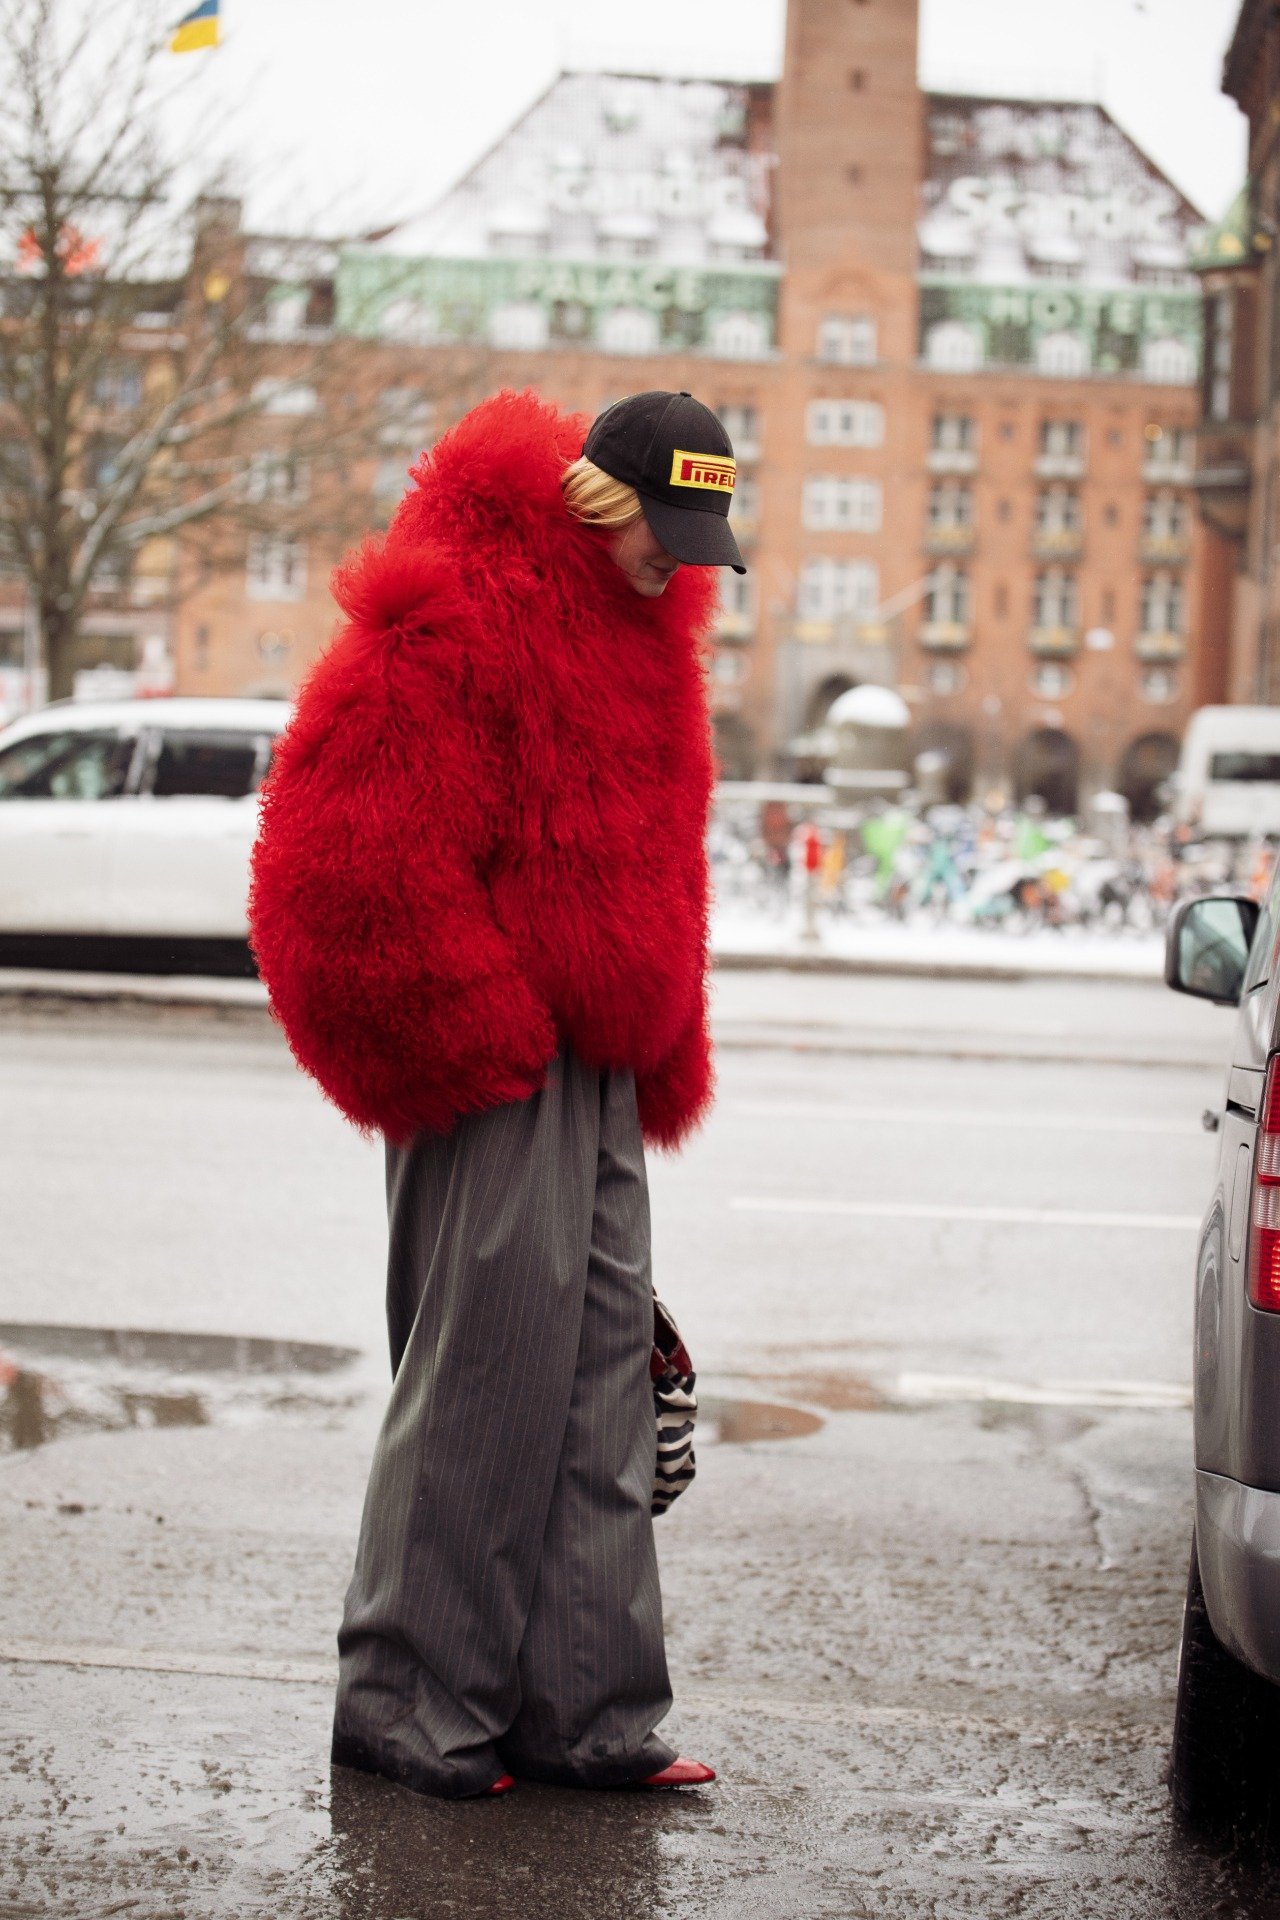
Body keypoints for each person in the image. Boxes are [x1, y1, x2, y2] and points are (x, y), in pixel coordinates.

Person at [249, 387, 745, 1799]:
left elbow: (648, 862)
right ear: (603, 502)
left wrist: (650, 1027)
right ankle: (409, 1700)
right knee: (483, 1380)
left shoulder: (638, 636)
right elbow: (336, 854)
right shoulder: (465, 609)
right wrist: (479, 1029)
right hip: (493, 1058)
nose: (684, 558)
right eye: (669, 526)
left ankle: (581, 1710)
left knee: (600, 1382)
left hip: (596, 1056)